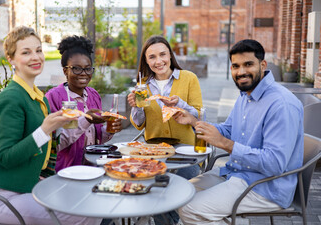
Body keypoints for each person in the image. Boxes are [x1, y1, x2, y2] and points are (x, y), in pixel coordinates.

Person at [174, 39, 304, 224]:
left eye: (248, 64)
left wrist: (225, 144)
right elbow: (227, 129)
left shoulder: (281, 104)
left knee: (190, 209)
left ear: (263, 65)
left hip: (266, 187)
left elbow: (274, 164)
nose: (241, 72)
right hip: (236, 174)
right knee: (180, 195)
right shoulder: (246, 95)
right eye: (235, 66)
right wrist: (194, 122)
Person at [0, 26, 101, 225]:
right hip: (5, 197)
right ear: (11, 59)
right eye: (26, 52)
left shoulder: (38, 97)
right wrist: (45, 130)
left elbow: (47, 148)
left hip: (31, 185)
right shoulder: (11, 98)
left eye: (38, 50)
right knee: (84, 213)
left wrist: (64, 127)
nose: (36, 57)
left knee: (90, 201)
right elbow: (6, 158)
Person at [127, 35, 203, 179]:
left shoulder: (189, 78)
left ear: (170, 55)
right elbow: (138, 124)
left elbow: (199, 116)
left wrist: (180, 104)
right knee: (145, 180)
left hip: (185, 151)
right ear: (146, 61)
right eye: (152, 57)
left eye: (163, 54)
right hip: (154, 151)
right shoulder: (142, 85)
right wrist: (136, 107)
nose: (158, 61)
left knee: (172, 182)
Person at [46, 35, 122, 172]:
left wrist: (109, 130)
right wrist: (86, 119)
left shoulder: (93, 95)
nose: (83, 74)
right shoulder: (54, 97)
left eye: (88, 68)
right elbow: (54, 144)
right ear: (65, 71)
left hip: (91, 169)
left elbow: (97, 139)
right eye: (76, 68)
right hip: (64, 171)